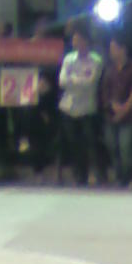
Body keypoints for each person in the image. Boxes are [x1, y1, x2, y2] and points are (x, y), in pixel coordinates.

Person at [57, 22, 102, 186]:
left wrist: (73, 79)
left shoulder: (96, 60)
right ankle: (78, 174)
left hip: (87, 108)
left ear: (86, 41)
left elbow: (90, 83)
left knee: (89, 143)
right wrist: (79, 80)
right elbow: (62, 81)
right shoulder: (68, 59)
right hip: (68, 106)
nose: (75, 42)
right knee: (73, 143)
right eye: (74, 39)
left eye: (78, 39)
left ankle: (94, 173)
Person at [100, 33, 132, 187]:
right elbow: (104, 92)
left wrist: (123, 110)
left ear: (123, 49)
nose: (111, 51)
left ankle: (128, 177)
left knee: (125, 146)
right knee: (112, 145)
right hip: (110, 114)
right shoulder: (109, 69)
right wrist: (112, 105)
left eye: (114, 48)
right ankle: (119, 176)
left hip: (128, 115)